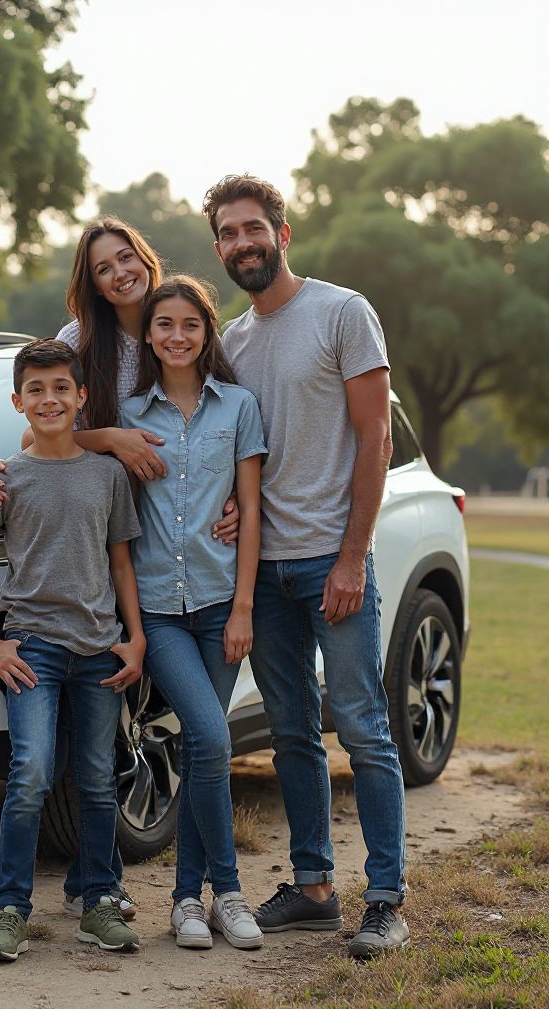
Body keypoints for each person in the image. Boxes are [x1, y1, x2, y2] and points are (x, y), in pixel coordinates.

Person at [0, 218, 239, 920]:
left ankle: (129, 887)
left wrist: (239, 495)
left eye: (127, 257)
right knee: (75, 758)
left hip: (190, 553)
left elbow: (226, 422)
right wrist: (112, 437)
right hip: (104, 554)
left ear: (145, 258)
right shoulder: (75, 346)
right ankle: (68, 889)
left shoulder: (180, 324)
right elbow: (41, 428)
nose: (119, 272)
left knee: (129, 751)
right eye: (102, 267)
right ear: (87, 283)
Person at [202, 174, 409, 958]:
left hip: (333, 559)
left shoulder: (342, 312)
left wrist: (353, 556)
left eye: (253, 228)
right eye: (227, 233)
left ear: (282, 234)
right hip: (265, 569)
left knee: (362, 729)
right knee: (291, 732)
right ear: (218, 246)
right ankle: (316, 887)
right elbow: (238, 450)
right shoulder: (233, 342)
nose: (242, 243)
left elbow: (375, 439)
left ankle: (386, 899)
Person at [0, 338, 145, 961]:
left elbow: (121, 561)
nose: (49, 399)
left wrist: (135, 637)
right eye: (35, 390)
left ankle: (97, 904)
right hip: (33, 649)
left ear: (81, 395)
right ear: (18, 401)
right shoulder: (6, 479)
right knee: (31, 773)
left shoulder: (108, 473)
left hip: (98, 649)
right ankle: (10, 910)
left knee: (95, 780)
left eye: (61, 387)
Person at [119, 275, 267, 951]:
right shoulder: (128, 415)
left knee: (203, 749)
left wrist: (243, 608)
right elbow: (71, 445)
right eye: (164, 325)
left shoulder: (237, 407)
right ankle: (227, 894)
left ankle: (187, 901)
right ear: (148, 336)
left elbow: (251, 511)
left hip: (220, 607)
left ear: (208, 334)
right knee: (210, 738)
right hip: (160, 611)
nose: (177, 336)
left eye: (191, 325)